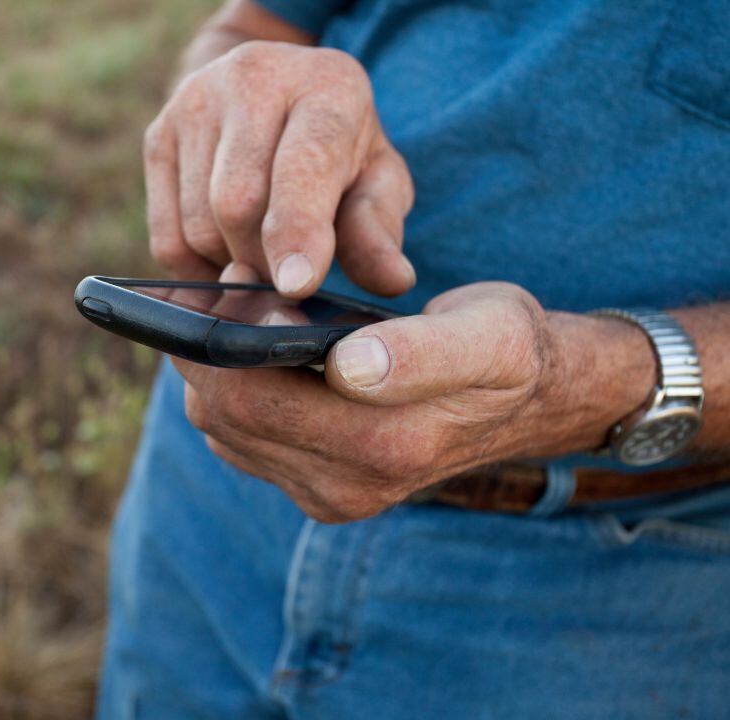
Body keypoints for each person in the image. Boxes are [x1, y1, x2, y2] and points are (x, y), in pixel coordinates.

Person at [98, 0, 730, 717]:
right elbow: (255, 22)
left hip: (618, 592)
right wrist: (231, 102)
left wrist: (592, 380)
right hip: (215, 477)